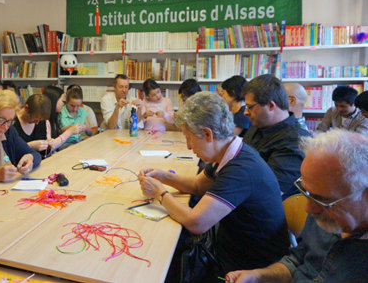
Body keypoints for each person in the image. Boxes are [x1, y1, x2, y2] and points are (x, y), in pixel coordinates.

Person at [139, 92, 289, 281]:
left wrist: (160, 193)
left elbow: (196, 223)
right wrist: (163, 176)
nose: (188, 146)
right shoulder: (229, 151)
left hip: (247, 268)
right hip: (231, 249)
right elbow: (197, 185)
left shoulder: (241, 169)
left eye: (189, 138)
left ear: (208, 134)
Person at [226, 129, 368, 283]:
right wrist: (258, 276)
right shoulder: (323, 211)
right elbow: (297, 261)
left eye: (322, 199)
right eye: (307, 192)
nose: (308, 208)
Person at [242, 74, 311, 200]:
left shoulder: (296, 141)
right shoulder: (257, 126)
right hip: (238, 198)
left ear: (271, 106)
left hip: (262, 211)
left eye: (249, 107)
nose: (245, 112)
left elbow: (266, 193)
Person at [14, 94, 81, 157]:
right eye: (35, 119)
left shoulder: (43, 122)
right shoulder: (12, 123)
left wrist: (49, 145)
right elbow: (9, 154)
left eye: (40, 120)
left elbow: (47, 152)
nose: (37, 123)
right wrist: (30, 146)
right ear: (26, 108)